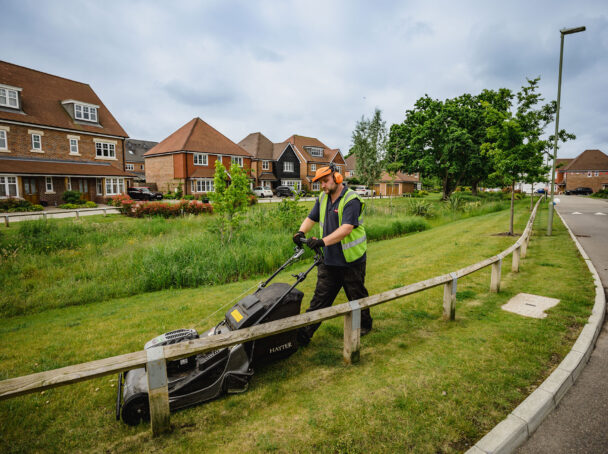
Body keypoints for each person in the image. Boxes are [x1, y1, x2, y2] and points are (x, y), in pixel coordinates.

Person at [293, 163, 372, 346]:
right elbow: (312, 218)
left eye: (326, 181)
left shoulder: (351, 199)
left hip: (351, 261)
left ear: (337, 178)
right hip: (328, 261)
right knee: (320, 300)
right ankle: (304, 335)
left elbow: (346, 229)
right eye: (320, 183)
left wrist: (321, 241)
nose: (323, 186)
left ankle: (365, 324)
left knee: (357, 295)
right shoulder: (323, 198)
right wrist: (300, 233)